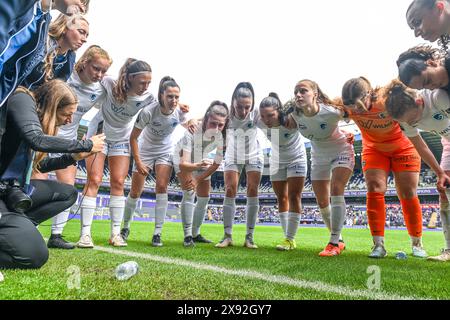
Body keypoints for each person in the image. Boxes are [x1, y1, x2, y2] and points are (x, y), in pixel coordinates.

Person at [0, 79, 104, 270]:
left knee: (68, 193)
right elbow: (36, 139)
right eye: (67, 114)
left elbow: (40, 165)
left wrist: (73, 157)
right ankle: (16, 230)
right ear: (53, 106)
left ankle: (22, 226)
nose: (69, 121)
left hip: (10, 191)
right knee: (33, 255)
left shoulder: (35, 124)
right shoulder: (22, 98)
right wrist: (85, 144)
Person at [32, 45, 112, 249]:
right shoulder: (65, 76)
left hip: (70, 142)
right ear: (84, 62)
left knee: (68, 187)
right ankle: (29, 227)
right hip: (46, 136)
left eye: (104, 71)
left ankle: (56, 235)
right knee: (36, 182)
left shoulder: (100, 89)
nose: (99, 74)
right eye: (96, 68)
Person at [76, 58, 155, 249]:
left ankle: (115, 234)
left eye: (149, 83)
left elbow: (163, 112)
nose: (145, 87)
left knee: (118, 182)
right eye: (142, 82)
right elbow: (88, 78)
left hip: (122, 139)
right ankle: (85, 234)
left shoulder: (148, 98)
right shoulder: (109, 83)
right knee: (94, 180)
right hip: (99, 134)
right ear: (129, 78)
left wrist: (186, 118)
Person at [121, 76, 196, 247]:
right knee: (135, 192)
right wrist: (139, 162)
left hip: (165, 151)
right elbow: (133, 138)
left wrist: (191, 120)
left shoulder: (179, 112)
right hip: (145, 150)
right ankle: (125, 227)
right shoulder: (148, 111)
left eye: (177, 97)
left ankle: (157, 232)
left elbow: (187, 123)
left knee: (162, 186)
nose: (174, 100)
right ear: (161, 95)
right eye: (170, 96)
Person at [384, 80, 450, 262]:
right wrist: (439, 173)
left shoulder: (440, 98)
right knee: (445, 194)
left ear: (420, 102)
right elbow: (422, 148)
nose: (412, 124)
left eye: (413, 120)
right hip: (448, 143)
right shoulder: (406, 120)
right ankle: (449, 250)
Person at [287, 80, 354, 257]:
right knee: (322, 202)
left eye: (303, 91)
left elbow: (356, 114)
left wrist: (351, 132)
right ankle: (339, 239)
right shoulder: (294, 114)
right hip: (318, 156)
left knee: (336, 189)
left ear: (315, 94)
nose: (298, 95)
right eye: (296, 92)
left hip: (341, 149)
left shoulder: (331, 112)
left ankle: (333, 243)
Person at [0, 0, 89, 108]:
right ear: (66, 27)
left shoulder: (43, 20)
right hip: (14, 97)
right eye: (81, 32)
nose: (82, 9)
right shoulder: (41, 30)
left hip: (18, 99)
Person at [173, 101, 229, 247]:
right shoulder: (192, 131)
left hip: (201, 159)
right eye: (212, 123)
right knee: (190, 193)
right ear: (205, 119)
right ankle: (187, 236)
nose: (216, 129)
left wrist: (199, 178)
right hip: (182, 159)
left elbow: (216, 163)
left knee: (204, 197)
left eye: (220, 125)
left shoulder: (224, 136)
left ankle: (196, 233)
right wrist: (195, 177)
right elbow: (183, 163)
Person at [216, 82, 262, 250]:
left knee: (252, 190)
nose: (243, 111)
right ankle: (227, 236)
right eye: (239, 107)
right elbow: (209, 120)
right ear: (233, 102)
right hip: (233, 155)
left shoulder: (256, 114)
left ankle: (249, 237)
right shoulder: (226, 115)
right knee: (230, 189)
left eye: (247, 107)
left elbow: (274, 121)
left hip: (254, 155)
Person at [258, 93, 307, 251]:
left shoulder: (292, 118)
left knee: (294, 196)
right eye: (263, 116)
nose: (266, 120)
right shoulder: (259, 120)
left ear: (279, 111)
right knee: (281, 197)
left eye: (271, 115)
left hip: (296, 158)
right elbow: (235, 116)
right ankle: (287, 237)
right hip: (276, 160)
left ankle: (290, 239)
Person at [22, 13, 90, 90]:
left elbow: (57, 88)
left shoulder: (70, 58)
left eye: (86, 35)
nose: (85, 39)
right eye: (81, 32)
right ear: (65, 28)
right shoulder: (42, 41)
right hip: (19, 91)